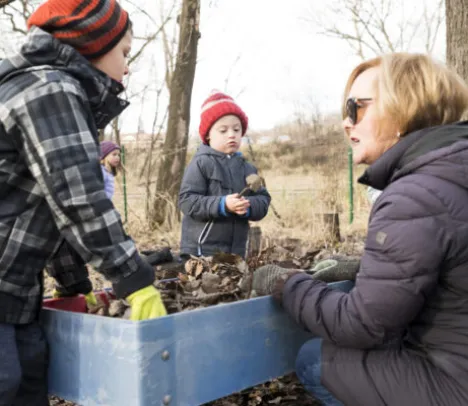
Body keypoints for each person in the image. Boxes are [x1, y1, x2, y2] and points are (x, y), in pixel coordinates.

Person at [249, 53, 468, 405]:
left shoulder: (413, 195)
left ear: (403, 108)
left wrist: (287, 284)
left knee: (313, 358)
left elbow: (364, 327)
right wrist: (368, 268)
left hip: (453, 386)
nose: (345, 123)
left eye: (356, 107)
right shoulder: (451, 172)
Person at [0, 1, 166, 404]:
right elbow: (78, 200)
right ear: (92, 43)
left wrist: (77, 288)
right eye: (124, 53)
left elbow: (50, 212)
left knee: (30, 377)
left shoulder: (56, 90)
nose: (128, 67)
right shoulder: (48, 88)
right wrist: (134, 280)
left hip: (16, 294)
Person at [179, 90, 271, 258]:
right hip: (201, 252)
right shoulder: (201, 163)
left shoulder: (247, 168)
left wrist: (248, 205)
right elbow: (187, 201)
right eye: (223, 130)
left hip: (237, 251)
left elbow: (264, 200)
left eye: (237, 129)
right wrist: (222, 204)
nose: (231, 135)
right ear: (208, 135)